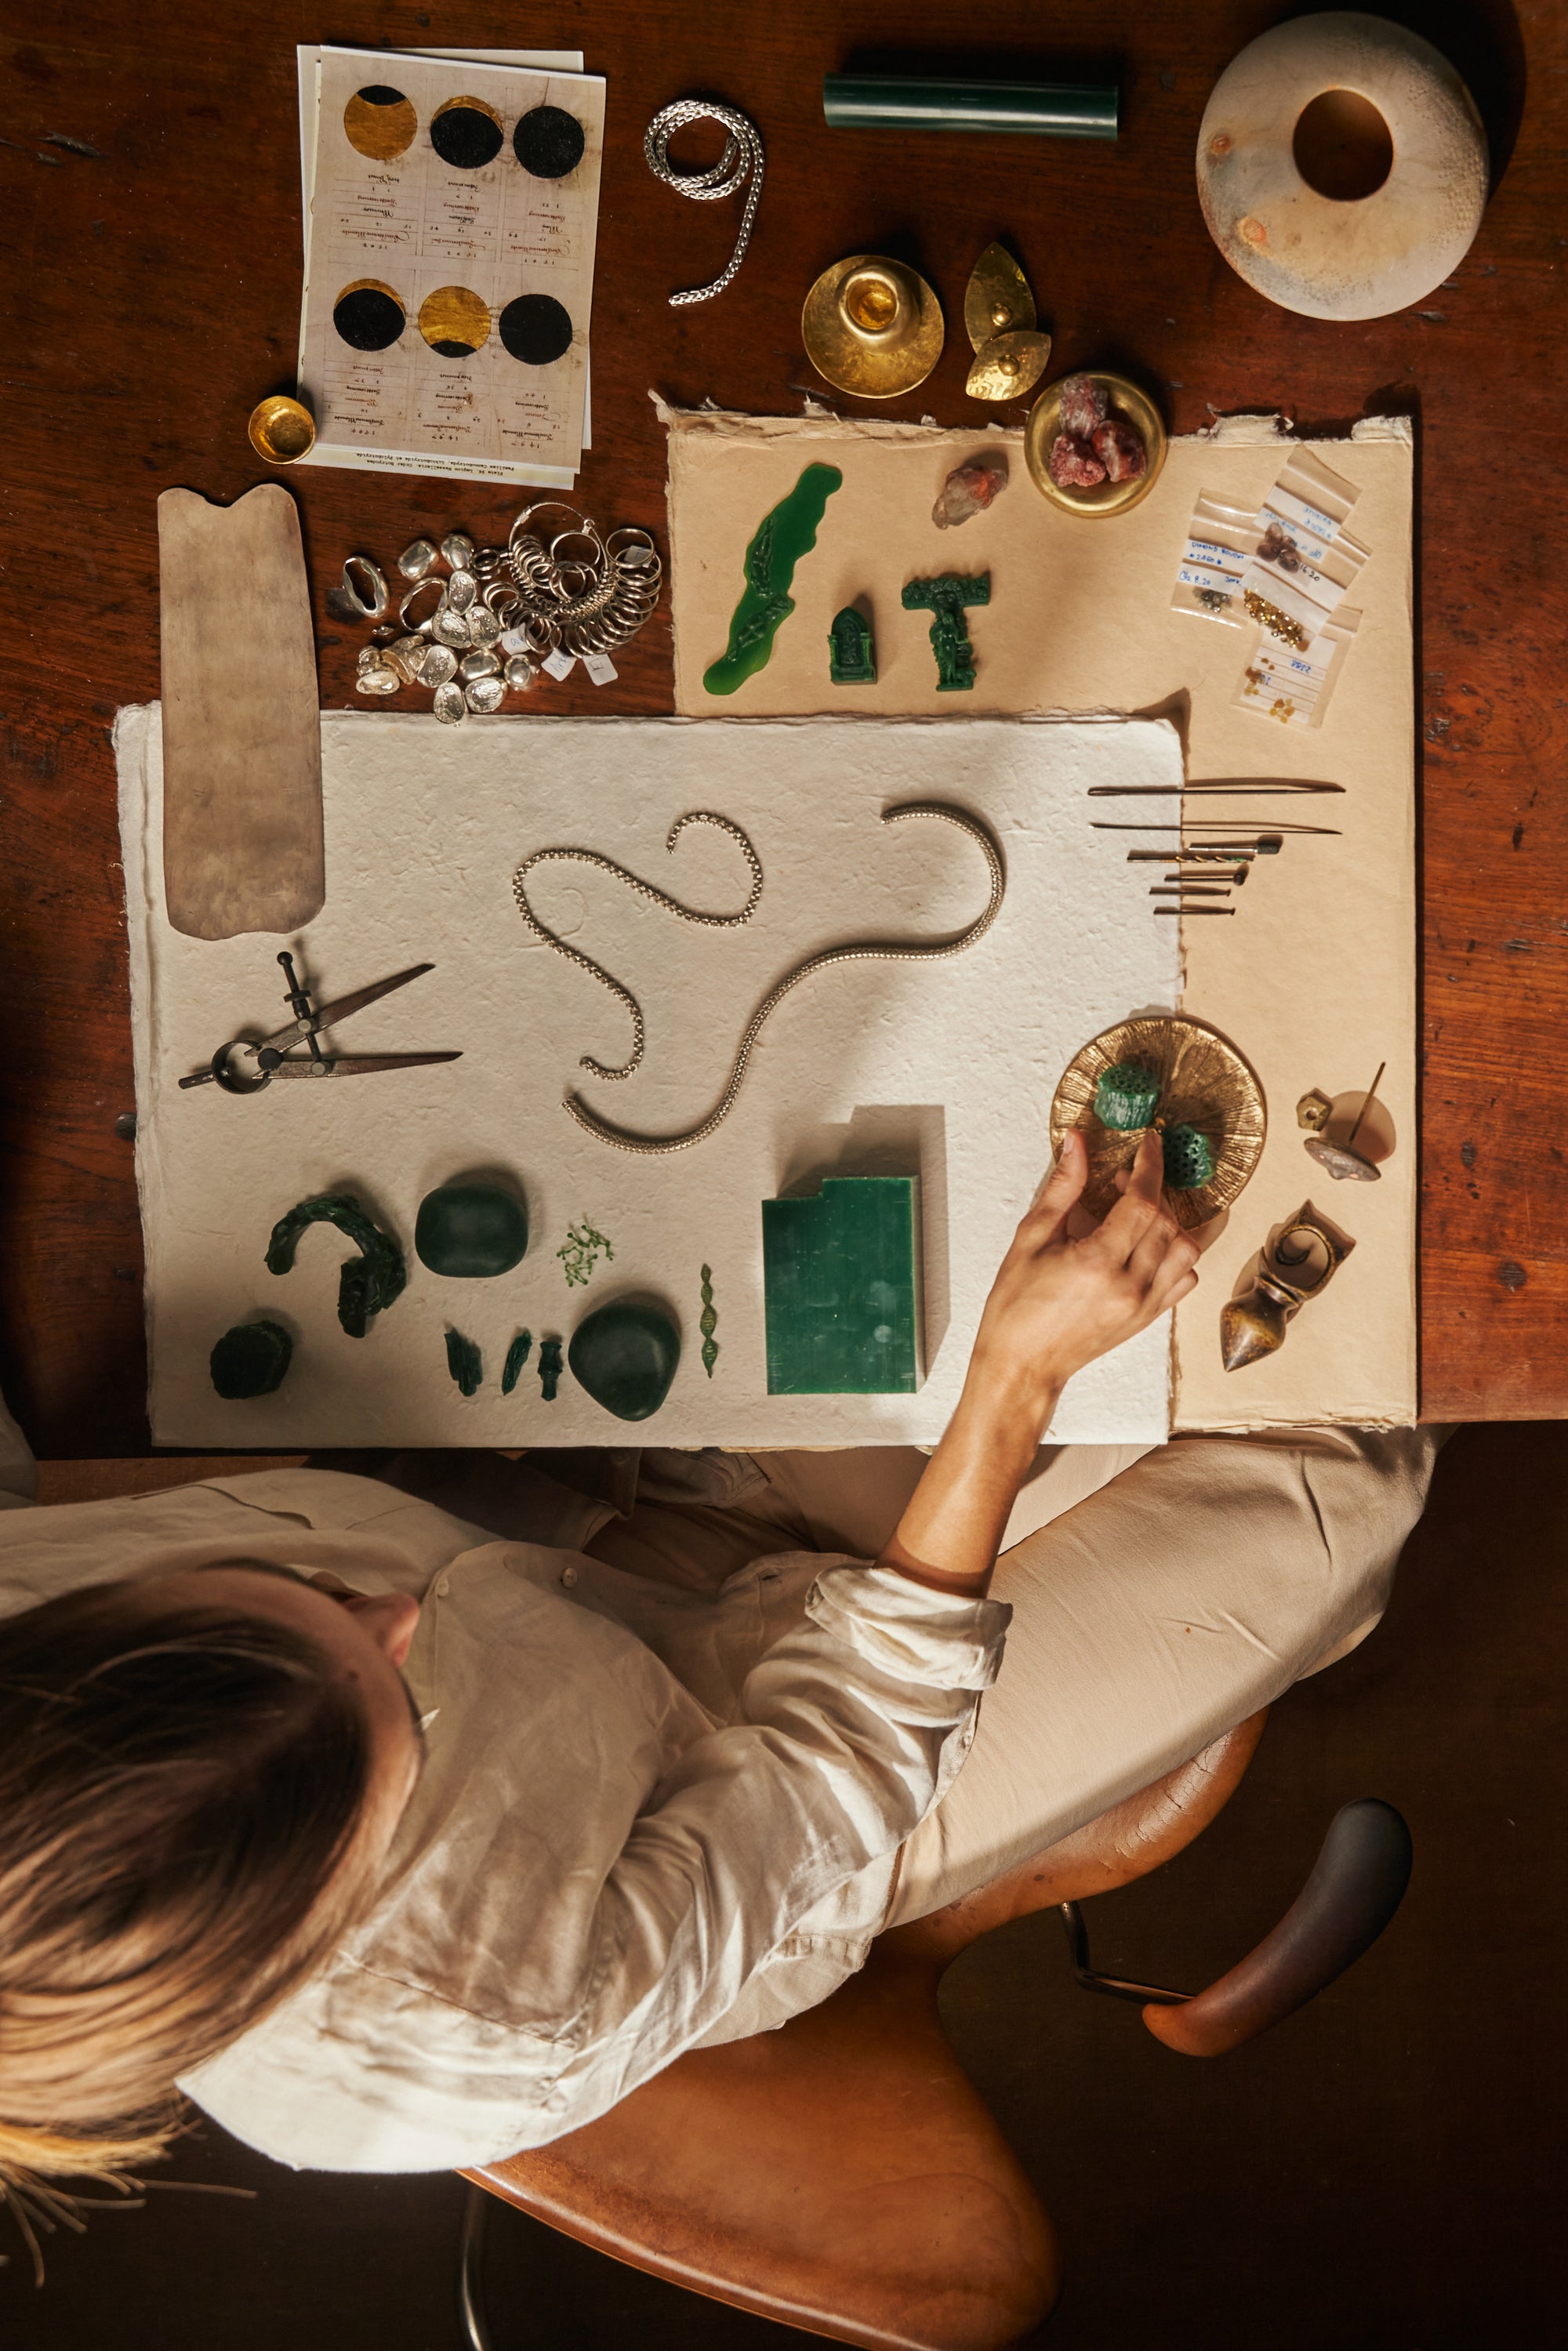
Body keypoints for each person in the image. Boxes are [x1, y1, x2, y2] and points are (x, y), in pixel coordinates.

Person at [0, 1133, 1439, 2192]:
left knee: (912, 1150)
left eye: (289, 1582)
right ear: (330, 1911)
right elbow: (845, 1750)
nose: (393, 1611)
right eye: (397, 1716)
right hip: (782, 1783)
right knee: (1349, 1446)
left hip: (601, 1542)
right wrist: (1013, 1387)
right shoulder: (468, 2034)